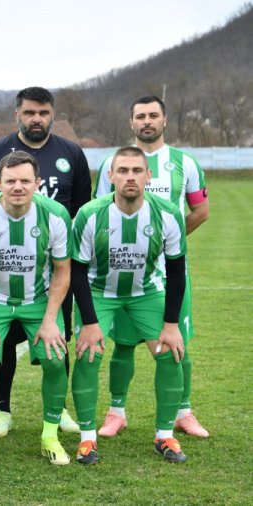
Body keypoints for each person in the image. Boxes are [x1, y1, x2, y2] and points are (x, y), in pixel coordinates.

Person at [0, 86, 91, 437]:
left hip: (48, 276)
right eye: (30, 112)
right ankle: (1, 407)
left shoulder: (71, 153)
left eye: (44, 112)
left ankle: (58, 408)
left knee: (56, 341)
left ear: (52, 114)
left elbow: (80, 207)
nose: (37, 118)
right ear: (17, 114)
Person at [93, 96, 210, 438]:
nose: (147, 121)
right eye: (141, 116)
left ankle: (183, 412)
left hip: (169, 274)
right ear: (131, 122)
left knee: (178, 341)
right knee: (123, 343)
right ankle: (116, 412)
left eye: (153, 115)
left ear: (165, 119)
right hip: (121, 270)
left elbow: (201, 210)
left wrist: (165, 244)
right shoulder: (113, 163)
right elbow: (99, 209)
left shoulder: (184, 162)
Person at [70, 146, 188, 465]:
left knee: (171, 354)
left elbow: (177, 271)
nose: (130, 177)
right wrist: (91, 324)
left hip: (145, 292)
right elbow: (77, 271)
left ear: (149, 176)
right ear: (110, 176)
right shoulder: (90, 214)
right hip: (99, 291)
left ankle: (164, 436)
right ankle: (87, 440)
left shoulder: (167, 214)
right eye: (122, 171)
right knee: (88, 355)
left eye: (137, 170)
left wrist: (171, 325)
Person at [0, 151, 73, 470]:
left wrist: (51, 319)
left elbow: (62, 270)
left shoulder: (55, 215)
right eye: (10, 181)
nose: (18, 187)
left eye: (26, 180)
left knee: (55, 360)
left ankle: (50, 437)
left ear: (38, 183)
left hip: (37, 299)